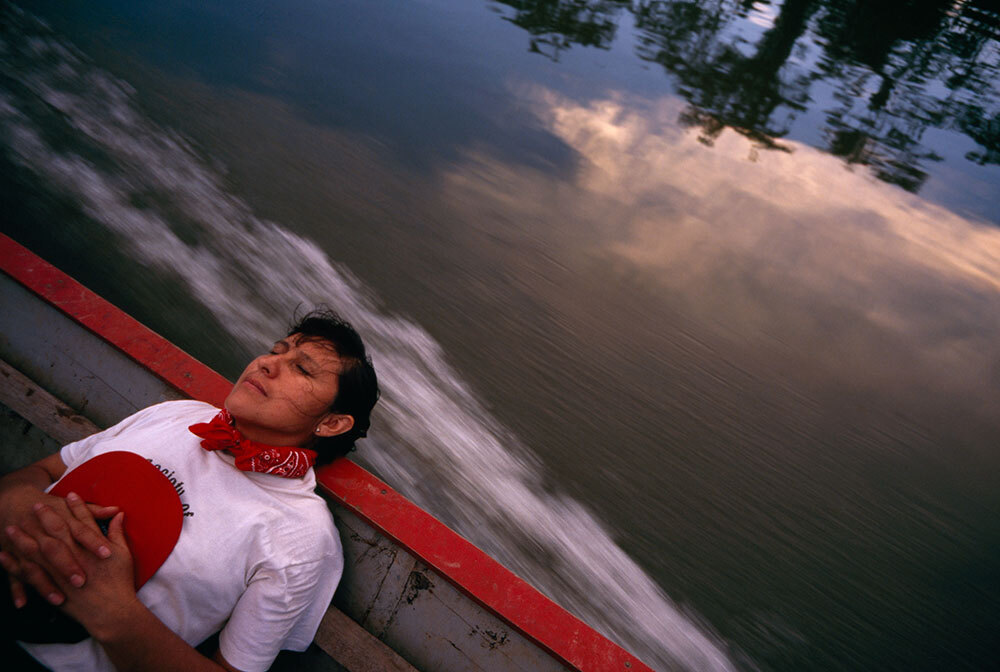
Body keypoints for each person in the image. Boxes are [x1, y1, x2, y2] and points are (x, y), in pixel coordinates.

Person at [0, 309, 379, 672]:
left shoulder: (300, 536)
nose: (267, 362)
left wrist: (113, 613)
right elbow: (43, 471)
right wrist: (18, 504)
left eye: (301, 368)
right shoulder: (181, 415)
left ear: (331, 423)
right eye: (277, 350)